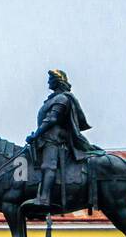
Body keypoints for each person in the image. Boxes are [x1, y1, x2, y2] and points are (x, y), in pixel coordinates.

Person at [24, 68, 101, 211]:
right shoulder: (53, 99)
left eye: (50, 79)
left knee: (48, 166)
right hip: (45, 139)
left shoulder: (62, 99)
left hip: (54, 140)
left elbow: (52, 119)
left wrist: (36, 134)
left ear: (57, 81)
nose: (48, 82)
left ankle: (44, 198)